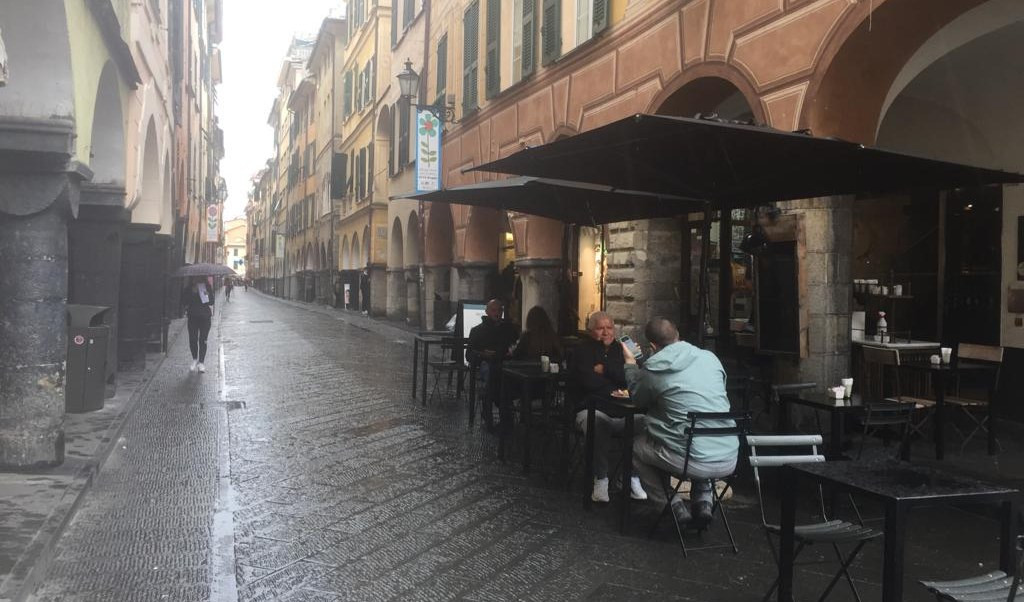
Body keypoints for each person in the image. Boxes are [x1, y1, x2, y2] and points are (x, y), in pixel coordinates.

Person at [623, 316, 737, 528]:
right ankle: (703, 501)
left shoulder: (653, 368)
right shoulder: (710, 358)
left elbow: (638, 399)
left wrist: (630, 365)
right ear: (678, 336)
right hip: (729, 455)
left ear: (653, 346)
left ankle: (670, 504)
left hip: (690, 459)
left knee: (636, 446)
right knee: (698, 432)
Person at [570, 311, 642, 503]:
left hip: (621, 410)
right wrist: (615, 384)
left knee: (645, 423)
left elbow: (634, 378)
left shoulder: (624, 348)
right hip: (590, 408)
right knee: (598, 423)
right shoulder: (581, 350)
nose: (605, 332)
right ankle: (601, 478)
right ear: (590, 330)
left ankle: (631, 476)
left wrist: (605, 369)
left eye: (609, 327)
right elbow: (588, 382)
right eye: (600, 328)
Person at [468, 299, 520, 430]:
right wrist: (482, 354)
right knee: (495, 375)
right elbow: (469, 354)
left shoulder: (508, 329)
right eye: (494, 310)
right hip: (487, 364)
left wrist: (510, 352)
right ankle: (503, 416)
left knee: (501, 379)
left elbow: (516, 347)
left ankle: (492, 408)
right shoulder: (477, 331)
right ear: (487, 311)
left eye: (500, 310)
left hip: (505, 364)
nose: (497, 313)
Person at [181, 277, 215, 373]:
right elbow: (184, 302)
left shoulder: (206, 287)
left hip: (205, 317)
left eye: (199, 278)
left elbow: (211, 301)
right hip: (192, 317)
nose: (196, 280)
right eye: (195, 278)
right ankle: (194, 359)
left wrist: (204, 292)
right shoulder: (188, 289)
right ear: (192, 279)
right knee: (193, 339)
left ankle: (201, 362)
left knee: (203, 340)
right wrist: (192, 293)